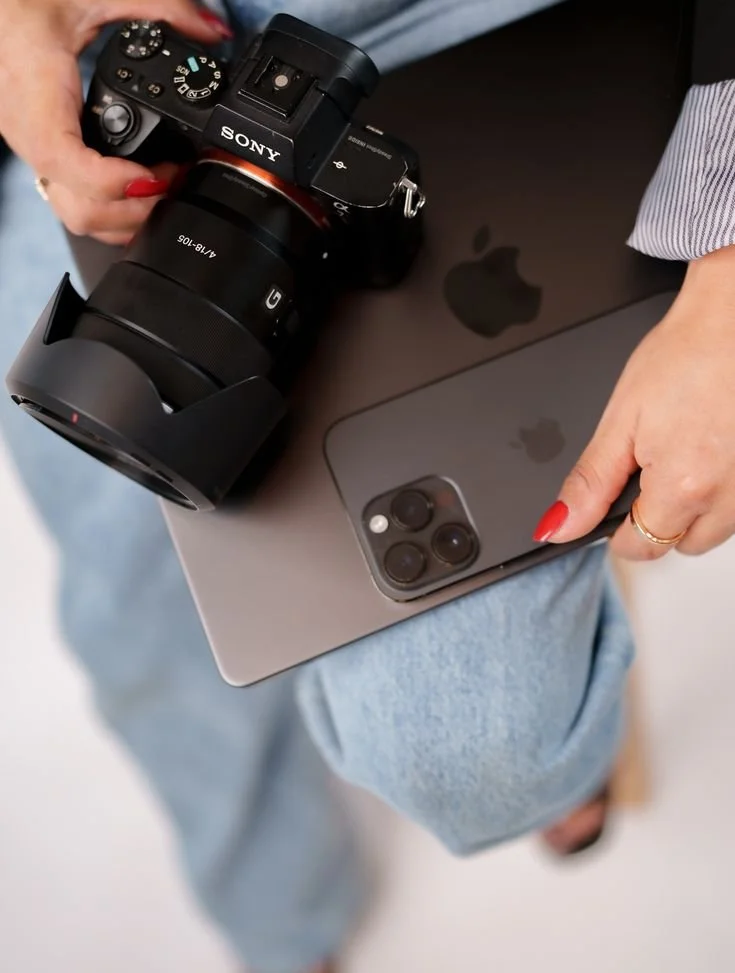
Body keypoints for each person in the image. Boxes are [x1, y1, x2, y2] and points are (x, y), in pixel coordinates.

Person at [1, 1, 734, 971]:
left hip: (509, 37)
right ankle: (286, 921)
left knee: (477, 755)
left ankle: (551, 769)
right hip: (168, 43)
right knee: (129, 622)